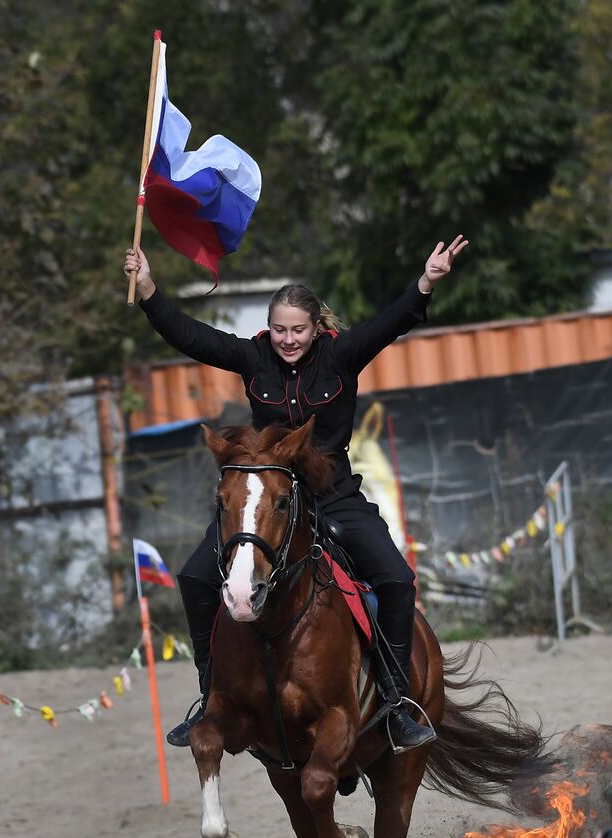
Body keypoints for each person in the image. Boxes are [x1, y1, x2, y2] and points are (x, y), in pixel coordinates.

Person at [124, 235, 468, 752]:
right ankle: (208, 694)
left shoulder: (340, 356)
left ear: (316, 327)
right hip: (267, 501)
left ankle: (398, 703)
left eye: (298, 330)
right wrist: (149, 289)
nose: (288, 340)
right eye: (280, 330)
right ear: (269, 328)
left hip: (332, 495)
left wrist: (426, 281)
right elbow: (193, 337)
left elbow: (389, 323)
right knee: (195, 576)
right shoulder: (253, 358)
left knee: (396, 578)